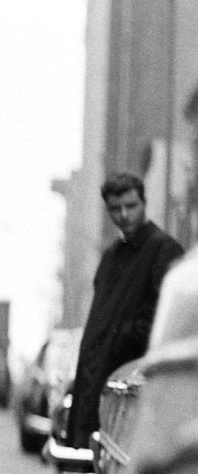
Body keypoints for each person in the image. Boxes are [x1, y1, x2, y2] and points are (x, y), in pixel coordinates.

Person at [66, 172, 183, 449]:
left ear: (144, 203)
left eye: (131, 206)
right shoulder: (110, 257)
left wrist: (122, 341)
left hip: (130, 389)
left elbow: (163, 321)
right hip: (99, 383)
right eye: (115, 209)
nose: (124, 215)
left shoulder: (163, 250)